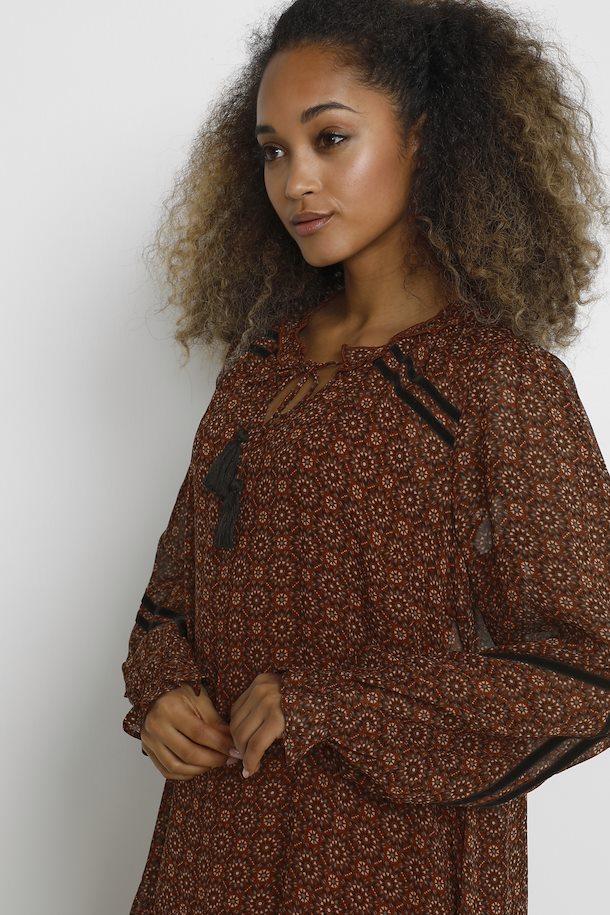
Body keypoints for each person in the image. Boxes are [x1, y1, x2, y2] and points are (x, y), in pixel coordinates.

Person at [121, 0, 610, 911]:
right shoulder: (261, 367)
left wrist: (336, 705)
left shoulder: (498, 384)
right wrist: (162, 692)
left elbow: (592, 669)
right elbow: (170, 598)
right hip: (212, 849)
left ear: (425, 136)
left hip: (393, 861)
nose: (296, 181)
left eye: (330, 138)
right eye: (273, 151)